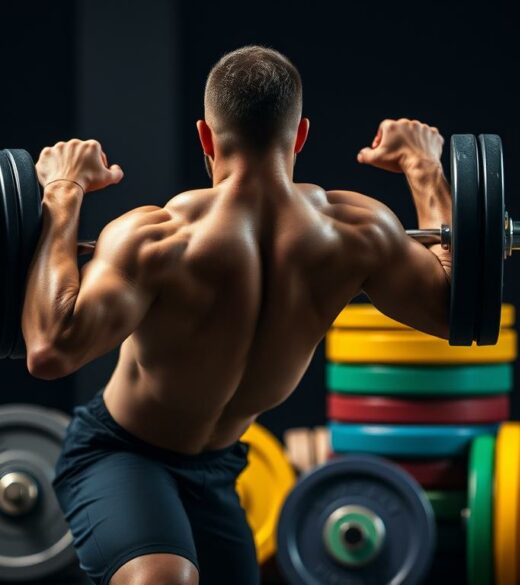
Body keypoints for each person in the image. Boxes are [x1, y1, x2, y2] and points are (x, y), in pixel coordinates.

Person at [23, 45, 451, 585]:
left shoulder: (154, 237)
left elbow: (50, 346)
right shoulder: (359, 232)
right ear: (300, 136)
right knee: (163, 579)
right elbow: (50, 349)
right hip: (123, 455)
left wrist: (66, 190)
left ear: (205, 136)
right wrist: (423, 169)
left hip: (219, 467)